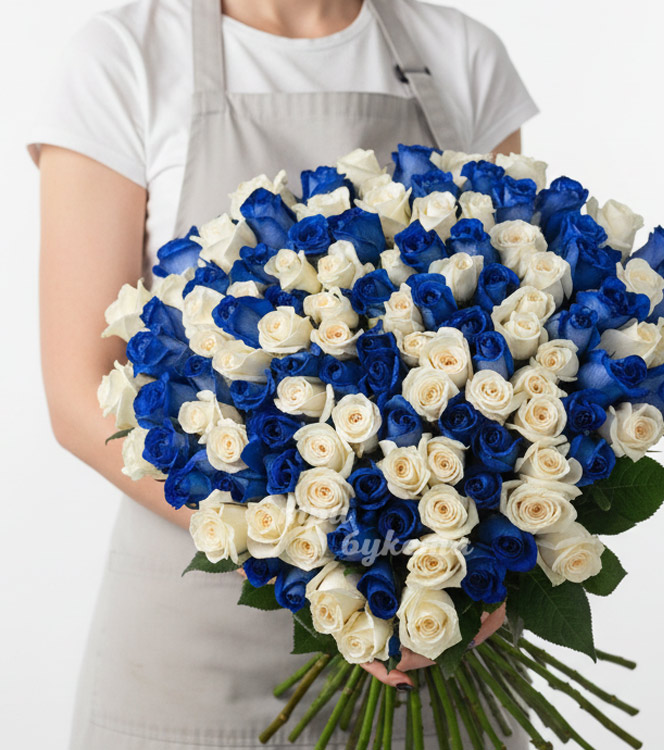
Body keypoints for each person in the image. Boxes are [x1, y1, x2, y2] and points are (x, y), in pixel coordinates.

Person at [29, 0, 538, 747]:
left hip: (438, 637)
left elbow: (512, 317)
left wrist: (485, 559)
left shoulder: (462, 54)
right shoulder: (125, 56)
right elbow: (81, 393)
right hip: (195, 649)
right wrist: (315, 559)